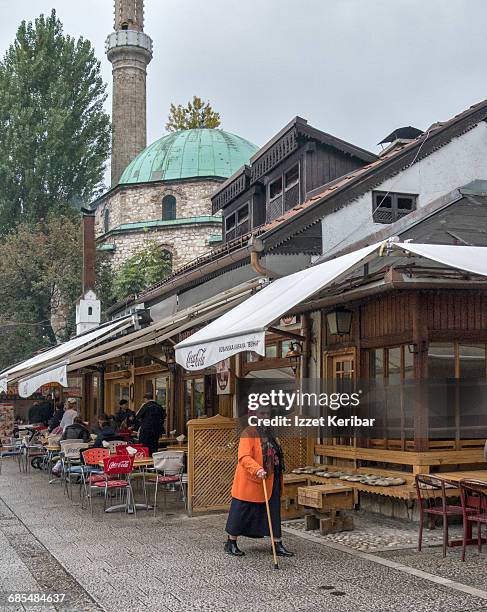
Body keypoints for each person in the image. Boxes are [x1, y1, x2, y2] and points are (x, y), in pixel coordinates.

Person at [224, 405, 294, 558]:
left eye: (267, 413)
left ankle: (277, 543)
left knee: (274, 511)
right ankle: (231, 542)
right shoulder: (248, 433)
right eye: (262, 413)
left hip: (271, 478)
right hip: (251, 480)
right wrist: (257, 469)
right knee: (241, 512)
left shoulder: (271, 433)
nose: (265, 416)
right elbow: (244, 457)